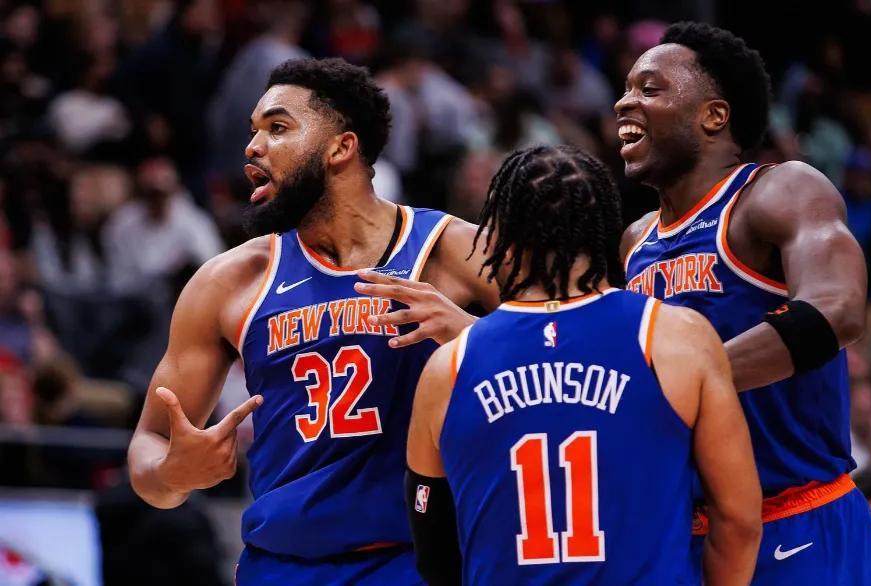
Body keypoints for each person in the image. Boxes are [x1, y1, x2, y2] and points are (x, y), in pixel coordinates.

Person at [127, 57, 498, 585]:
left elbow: (574, 347)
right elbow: (149, 443)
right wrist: (170, 473)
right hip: (281, 566)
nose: (253, 148)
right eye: (253, 131)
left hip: (415, 560)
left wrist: (471, 334)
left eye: (277, 128)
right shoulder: (230, 280)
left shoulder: (450, 248)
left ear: (341, 148)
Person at [405, 145, 762, 585]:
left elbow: (433, 550)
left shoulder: (448, 368)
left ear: (496, 241)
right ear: (604, 231)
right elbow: (739, 521)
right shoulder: (676, 338)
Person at [616, 22, 871, 584]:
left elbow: (837, 309)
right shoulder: (635, 241)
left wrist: (697, 377)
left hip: (798, 521)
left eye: (650, 88)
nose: (624, 102)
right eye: (626, 88)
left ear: (714, 115)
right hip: (687, 535)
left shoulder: (780, 190)